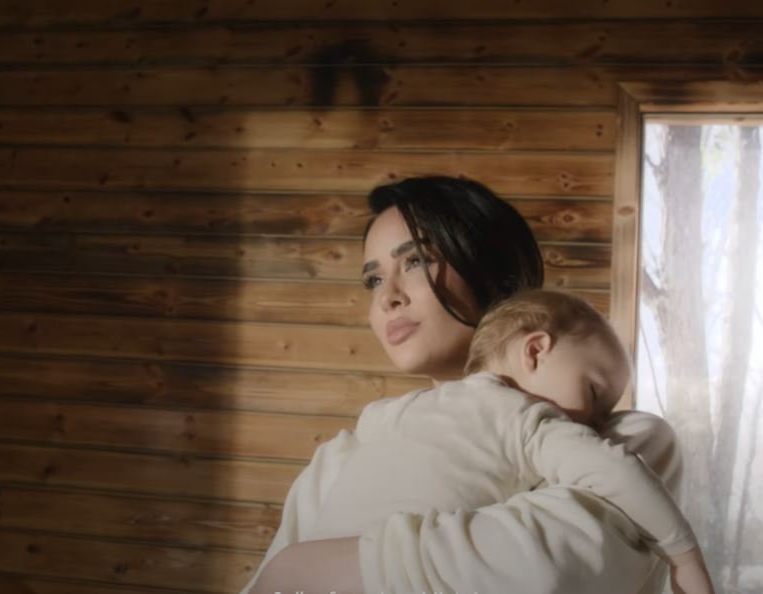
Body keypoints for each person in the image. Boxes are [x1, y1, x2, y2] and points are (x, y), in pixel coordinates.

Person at [241, 176, 685, 594]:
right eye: (373, 279)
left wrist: (304, 567)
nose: (387, 296)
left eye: (416, 260)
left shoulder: (628, 444)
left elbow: (543, 575)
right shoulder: (341, 457)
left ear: (493, 271)